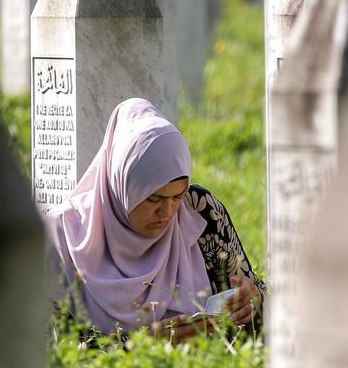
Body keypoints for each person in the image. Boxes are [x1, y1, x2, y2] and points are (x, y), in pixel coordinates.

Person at [46, 98, 264, 340]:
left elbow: (258, 302)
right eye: (153, 199)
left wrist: (253, 300)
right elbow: (48, 351)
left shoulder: (199, 211)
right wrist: (141, 346)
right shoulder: (61, 236)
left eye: (177, 196)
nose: (168, 212)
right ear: (122, 186)